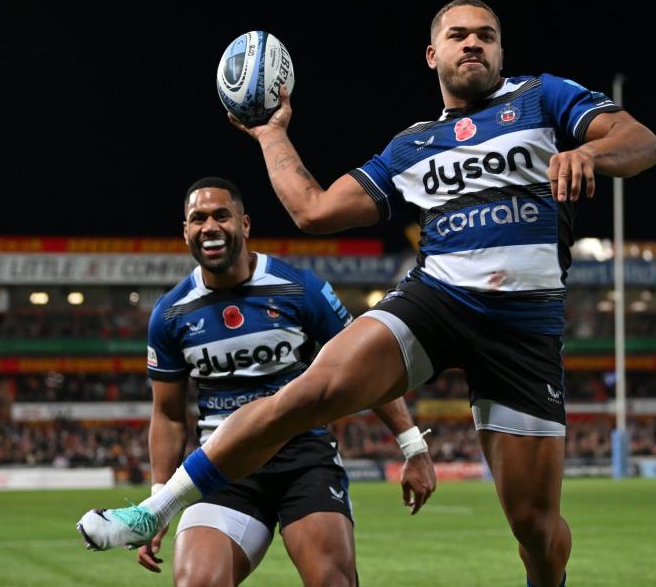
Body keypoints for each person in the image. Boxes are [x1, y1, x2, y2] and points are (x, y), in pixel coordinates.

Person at [78, 0, 656, 587]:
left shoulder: (543, 98)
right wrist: (270, 133)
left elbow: (641, 141)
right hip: (437, 301)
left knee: (536, 529)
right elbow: (314, 210)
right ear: (433, 54)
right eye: (458, 35)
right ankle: (153, 509)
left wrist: (588, 152)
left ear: (501, 51)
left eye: (486, 35)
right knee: (304, 395)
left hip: (524, 329)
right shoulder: (412, 146)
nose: (473, 44)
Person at [83, 177, 436, 587]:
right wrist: (159, 497)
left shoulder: (300, 289)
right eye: (198, 218)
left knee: (332, 582)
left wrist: (413, 445)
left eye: (221, 215)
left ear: (244, 224)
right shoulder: (170, 314)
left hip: (303, 459)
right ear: (186, 231)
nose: (209, 226)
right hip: (220, 465)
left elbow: (364, 369)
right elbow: (168, 414)